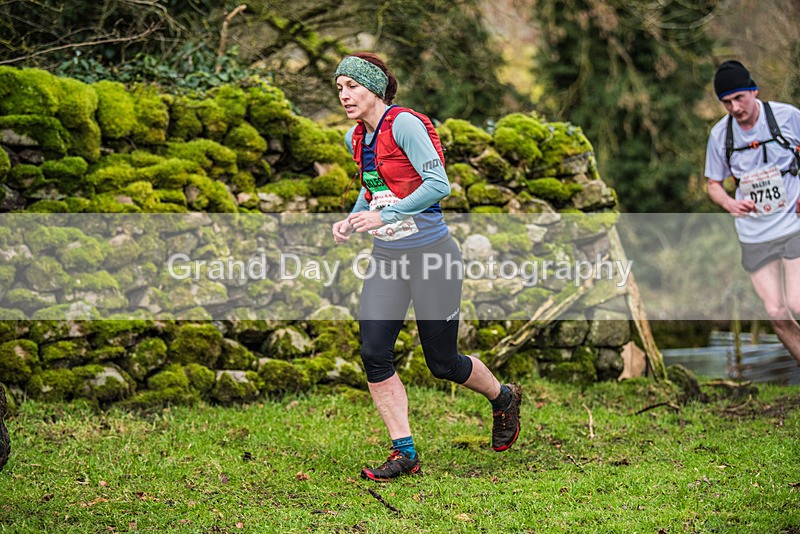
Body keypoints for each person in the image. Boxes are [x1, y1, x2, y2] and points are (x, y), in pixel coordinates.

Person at [330, 52, 522, 481]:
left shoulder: (405, 125)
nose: (344, 95)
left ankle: (503, 397)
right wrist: (353, 218)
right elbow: (374, 188)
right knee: (374, 353)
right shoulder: (355, 139)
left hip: (431, 256)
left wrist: (385, 215)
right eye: (339, 88)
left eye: (352, 87)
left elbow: (439, 185)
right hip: (386, 257)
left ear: (374, 88)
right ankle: (405, 453)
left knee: (443, 362)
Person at [705, 60, 800, 364]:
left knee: (797, 302)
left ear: (753, 90)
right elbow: (712, 184)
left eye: (738, 98)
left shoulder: (787, 117)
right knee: (776, 313)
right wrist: (729, 203)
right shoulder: (720, 135)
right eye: (726, 102)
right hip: (754, 233)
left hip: (793, 223)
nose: (734, 107)